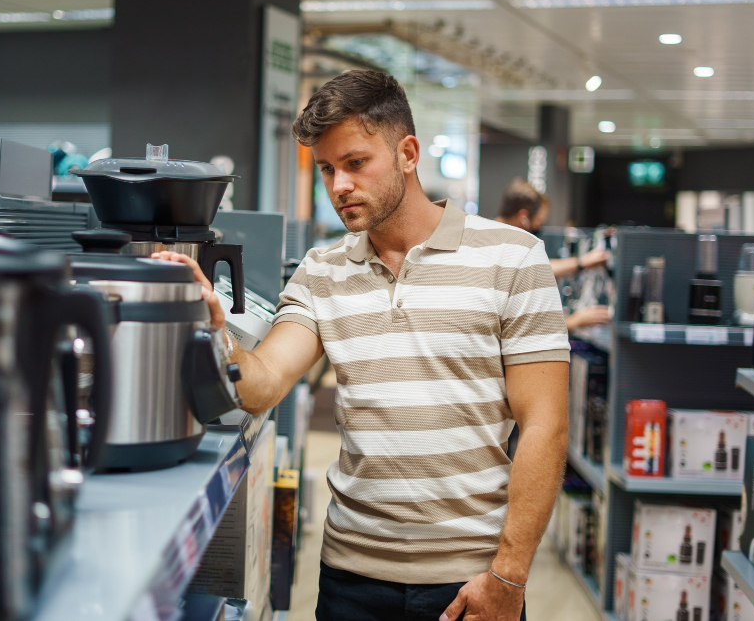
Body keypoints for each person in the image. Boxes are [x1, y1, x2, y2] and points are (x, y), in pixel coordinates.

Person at [154, 70, 569, 621]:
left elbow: (546, 424)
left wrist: (507, 575)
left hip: (469, 580)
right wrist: (213, 332)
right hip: (351, 578)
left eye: (354, 163)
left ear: (408, 153)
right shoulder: (321, 270)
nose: (338, 186)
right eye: (326, 169)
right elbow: (262, 384)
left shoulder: (513, 258)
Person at [495, 180, 611, 331]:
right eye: (538, 223)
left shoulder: (494, 240)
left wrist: (582, 262)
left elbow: (537, 269)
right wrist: (574, 321)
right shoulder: (499, 249)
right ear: (523, 217)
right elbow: (522, 327)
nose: (539, 229)